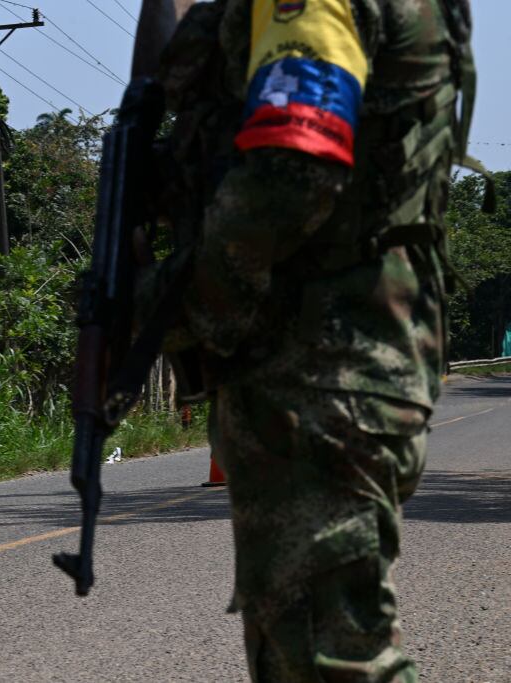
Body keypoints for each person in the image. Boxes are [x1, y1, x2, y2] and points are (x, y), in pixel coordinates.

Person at [145, 0, 479, 679]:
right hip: (342, 359)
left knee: (330, 659)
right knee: (298, 648)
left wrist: (176, 307)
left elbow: (292, 170)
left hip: (322, 366)